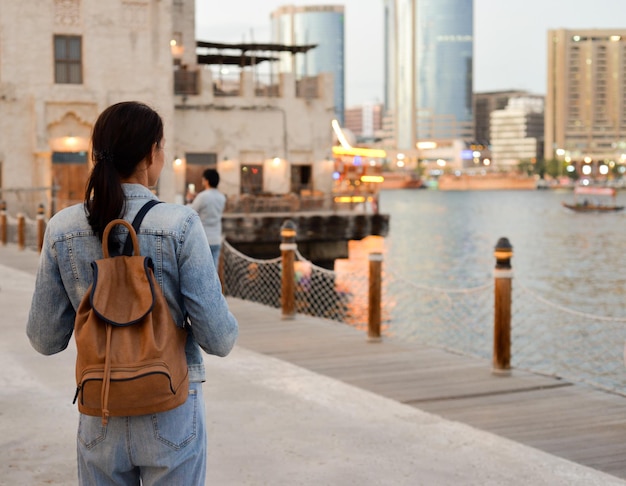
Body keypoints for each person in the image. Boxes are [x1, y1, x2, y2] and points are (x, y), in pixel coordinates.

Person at [26, 101, 238, 485]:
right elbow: (220, 339)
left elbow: (43, 339)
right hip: (170, 403)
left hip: (100, 405)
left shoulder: (62, 228)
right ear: (150, 154)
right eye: (162, 147)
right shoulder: (181, 224)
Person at [190, 168, 226, 268]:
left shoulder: (202, 196)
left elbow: (192, 211)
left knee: (203, 270)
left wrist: (190, 201)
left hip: (204, 238)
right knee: (214, 270)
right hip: (216, 238)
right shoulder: (221, 197)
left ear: (206, 181)